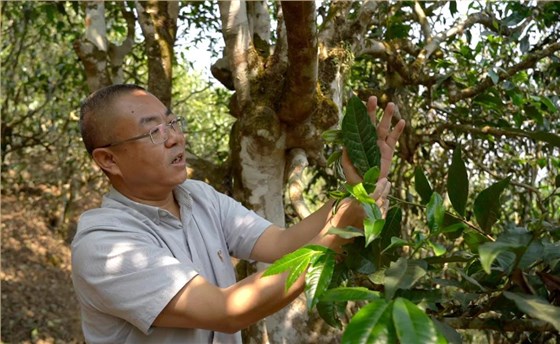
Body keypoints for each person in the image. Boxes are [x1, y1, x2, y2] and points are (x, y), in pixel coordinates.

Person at [71, 84, 405, 344]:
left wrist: (357, 189)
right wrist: (336, 234)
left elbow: (281, 244)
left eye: (172, 122)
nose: (175, 138)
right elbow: (226, 310)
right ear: (108, 160)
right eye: (154, 131)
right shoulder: (105, 247)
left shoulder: (198, 197)